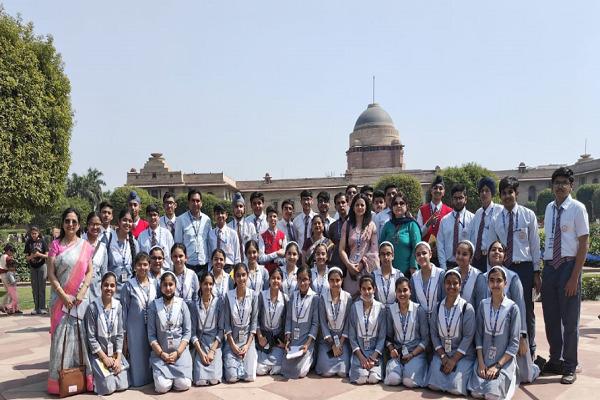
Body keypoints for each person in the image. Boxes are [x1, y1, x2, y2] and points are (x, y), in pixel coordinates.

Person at [541, 167, 589, 384]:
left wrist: (574, 277)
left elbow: (584, 244)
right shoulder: (550, 208)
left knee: (569, 321)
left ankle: (570, 365)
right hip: (551, 267)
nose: (559, 186)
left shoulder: (578, 209)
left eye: (564, 182)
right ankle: (555, 360)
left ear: (571, 185)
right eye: (556, 182)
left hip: (569, 267)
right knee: (551, 319)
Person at [489, 176, 541, 358]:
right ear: (500, 196)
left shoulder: (528, 216)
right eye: (503, 193)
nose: (507, 196)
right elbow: (493, 245)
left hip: (524, 268)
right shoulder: (495, 219)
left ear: (516, 193)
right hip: (504, 269)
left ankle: (530, 349)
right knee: (503, 308)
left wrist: (536, 272)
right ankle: (507, 349)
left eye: (510, 192)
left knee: (526, 309)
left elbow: (535, 245)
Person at [477, 240, 540, 384]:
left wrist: (523, 337)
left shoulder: (513, 277)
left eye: (500, 250)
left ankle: (535, 367)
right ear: (488, 254)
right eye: (493, 249)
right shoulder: (482, 278)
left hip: (509, 334)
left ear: (505, 256)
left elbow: (521, 307)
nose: (496, 252)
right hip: (488, 336)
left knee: (525, 376)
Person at [47, 208, 94, 394]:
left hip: (79, 301)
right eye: (67, 221)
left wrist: (82, 292)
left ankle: (81, 380)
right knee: (59, 341)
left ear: (79, 224)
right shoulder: (55, 245)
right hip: (60, 301)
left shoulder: (85, 246)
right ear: (63, 223)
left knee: (81, 340)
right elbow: (51, 274)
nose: (71, 224)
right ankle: (59, 383)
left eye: (74, 221)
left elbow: (89, 271)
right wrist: (63, 295)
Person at [468, 266, 521, 400]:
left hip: (503, 361)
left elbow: (514, 343)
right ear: (488, 283)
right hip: (484, 359)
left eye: (499, 280)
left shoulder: (512, 308)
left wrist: (497, 366)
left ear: (505, 283)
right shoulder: (482, 304)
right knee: (476, 393)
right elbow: (478, 336)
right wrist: (480, 363)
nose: (495, 284)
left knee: (492, 395)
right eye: (492, 280)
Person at [427, 269, 476, 396]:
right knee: (434, 385)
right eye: (448, 283)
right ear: (444, 285)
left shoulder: (466, 308)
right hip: (442, 355)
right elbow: (434, 334)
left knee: (455, 388)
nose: (452, 286)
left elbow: (468, 336)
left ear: (460, 286)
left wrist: (454, 359)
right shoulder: (437, 307)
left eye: (455, 283)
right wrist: (443, 356)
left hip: (462, 356)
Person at [85, 271, 129, 395]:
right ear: (101, 286)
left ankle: (112, 372)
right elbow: (91, 337)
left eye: (112, 285)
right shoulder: (93, 308)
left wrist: (118, 358)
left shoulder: (118, 306)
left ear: (115, 287)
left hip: (114, 354)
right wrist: (104, 358)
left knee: (122, 385)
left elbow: (120, 334)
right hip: (99, 354)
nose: (109, 288)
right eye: (106, 285)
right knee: (108, 389)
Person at [148, 271, 193, 393]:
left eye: (171, 284)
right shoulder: (154, 306)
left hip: (180, 354)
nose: (168, 288)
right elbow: (151, 335)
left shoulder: (182, 304)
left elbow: (188, 332)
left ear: (175, 286)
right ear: (161, 287)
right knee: (162, 387)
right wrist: (162, 354)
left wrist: (178, 352)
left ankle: (174, 377)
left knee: (184, 384)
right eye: (165, 285)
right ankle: (167, 377)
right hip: (161, 355)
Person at [384, 276, 429, 388]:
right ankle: (400, 371)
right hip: (398, 354)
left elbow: (425, 339)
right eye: (399, 290)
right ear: (395, 292)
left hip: (415, 353)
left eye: (405, 290)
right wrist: (391, 349)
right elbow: (388, 336)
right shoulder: (391, 310)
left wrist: (412, 354)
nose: (402, 294)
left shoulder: (419, 310)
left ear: (410, 291)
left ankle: (412, 370)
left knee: (409, 382)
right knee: (393, 380)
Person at [121, 252, 157, 387]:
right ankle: (137, 380)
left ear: (149, 266)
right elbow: (124, 310)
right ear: (135, 267)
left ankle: (153, 378)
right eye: (139, 265)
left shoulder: (155, 283)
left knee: (151, 351)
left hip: (151, 325)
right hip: (134, 328)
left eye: (145, 264)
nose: (143, 267)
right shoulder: (129, 286)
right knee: (137, 354)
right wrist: (124, 334)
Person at [223, 263, 259, 382]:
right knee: (232, 378)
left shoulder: (253, 295)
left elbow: (254, 322)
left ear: (247, 276)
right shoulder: (228, 296)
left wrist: (248, 345)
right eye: (238, 275)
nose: (241, 278)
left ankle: (248, 358)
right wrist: (233, 345)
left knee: (249, 377)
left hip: (247, 340)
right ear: (234, 277)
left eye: (244, 275)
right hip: (232, 340)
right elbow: (227, 325)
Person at [282, 266, 319, 379]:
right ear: (297, 280)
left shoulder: (315, 298)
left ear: (310, 280)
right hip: (293, 341)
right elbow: (288, 318)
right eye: (300, 279)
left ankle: (312, 358)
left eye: (305, 279)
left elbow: (315, 323)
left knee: (300, 372)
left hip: (306, 342)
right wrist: (288, 339)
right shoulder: (293, 295)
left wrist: (307, 344)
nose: (302, 282)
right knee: (285, 369)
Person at [348, 275, 387, 384]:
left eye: (369, 288)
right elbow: (352, 335)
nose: (367, 292)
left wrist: (373, 357)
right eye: (364, 289)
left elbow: (382, 336)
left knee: (373, 378)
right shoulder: (354, 308)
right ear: (360, 290)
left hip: (375, 352)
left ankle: (376, 368)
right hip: (359, 352)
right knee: (362, 379)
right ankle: (356, 366)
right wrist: (361, 357)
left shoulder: (381, 308)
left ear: (374, 289)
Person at [338, 193, 378, 297]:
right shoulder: (347, 224)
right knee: (350, 301)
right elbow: (341, 249)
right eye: (357, 205)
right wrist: (348, 265)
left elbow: (374, 250)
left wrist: (361, 264)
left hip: (366, 270)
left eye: (362, 205)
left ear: (366, 207)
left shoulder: (371, 225)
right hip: (351, 271)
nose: (359, 207)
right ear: (353, 207)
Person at [316, 267, 351, 377]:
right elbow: (322, 322)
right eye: (332, 280)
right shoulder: (323, 297)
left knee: (343, 372)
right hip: (327, 340)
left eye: (337, 280)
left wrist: (340, 342)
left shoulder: (348, 297)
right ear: (328, 281)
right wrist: (332, 345)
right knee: (325, 370)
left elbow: (348, 322)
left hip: (342, 340)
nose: (335, 283)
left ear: (342, 280)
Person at [190, 271, 224, 386]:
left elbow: (221, 330)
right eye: (205, 284)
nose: (208, 287)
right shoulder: (194, 305)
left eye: (210, 284)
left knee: (214, 380)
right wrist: (201, 352)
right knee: (200, 381)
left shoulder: (218, 302)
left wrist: (212, 351)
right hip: (200, 344)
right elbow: (193, 333)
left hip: (215, 343)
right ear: (200, 284)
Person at [379, 192, 421, 276]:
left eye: (402, 203)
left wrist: (413, 267)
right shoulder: (387, 225)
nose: (398, 206)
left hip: (408, 273)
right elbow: (381, 246)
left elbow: (416, 247)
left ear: (406, 206)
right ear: (392, 207)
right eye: (395, 204)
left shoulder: (412, 224)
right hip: (389, 272)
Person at [256, 268, 288, 376]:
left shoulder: (285, 299)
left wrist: (285, 342)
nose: (275, 281)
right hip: (264, 339)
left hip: (277, 341)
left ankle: (273, 365)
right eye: (273, 278)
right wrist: (260, 336)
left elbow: (287, 322)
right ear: (269, 280)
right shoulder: (261, 296)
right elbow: (256, 318)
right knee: (259, 370)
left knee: (278, 369)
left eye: (278, 278)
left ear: (282, 281)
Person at [416, 176, 453, 266]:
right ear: (431, 191)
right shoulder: (422, 210)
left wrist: (438, 248)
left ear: (444, 192)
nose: (438, 190)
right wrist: (428, 224)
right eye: (435, 188)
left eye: (441, 188)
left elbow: (449, 236)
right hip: (425, 254)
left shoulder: (449, 211)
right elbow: (418, 234)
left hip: (443, 254)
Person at [437, 184, 474, 270]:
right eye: (455, 198)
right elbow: (440, 245)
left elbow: (473, 243)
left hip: (466, 266)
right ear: (451, 200)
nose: (458, 201)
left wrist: (469, 265)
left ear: (466, 199)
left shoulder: (472, 219)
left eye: (461, 198)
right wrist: (443, 267)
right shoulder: (444, 220)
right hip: (448, 265)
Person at [174, 190, 211, 276]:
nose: (195, 203)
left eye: (198, 201)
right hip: (188, 266)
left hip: (204, 266)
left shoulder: (207, 220)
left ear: (201, 203)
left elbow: (209, 242)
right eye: (193, 200)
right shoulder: (180, 220)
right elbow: (178, 244)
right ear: (188, 203)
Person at [469, 177, 502, 272]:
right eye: (482, 191)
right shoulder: (478, 213)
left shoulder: (499, 211)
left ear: (492, 193)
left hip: (492, 258)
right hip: (477, 259)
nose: (484, 193)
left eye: (487, 191)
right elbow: (474, 236)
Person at [106, 209, 139, 300]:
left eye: (130, 221)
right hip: (111, 291)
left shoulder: (134, 243)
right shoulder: (109, 239)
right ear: (119, 221)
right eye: (124, 220)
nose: (127, 223)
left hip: (129, 291)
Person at [409, 242, 444, 320]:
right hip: (421, 320)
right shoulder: (413, 278)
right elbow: (413, 302)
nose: (421, 256)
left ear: (430, 254)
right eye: (418, 254)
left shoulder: (441, 274)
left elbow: (444, 299)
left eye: (424, 253)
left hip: (439, 318)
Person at [449, 240, 485, 310]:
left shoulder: (478, 276)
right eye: (458, 253)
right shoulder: (451, 273)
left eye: (464, 254)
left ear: (471, 258)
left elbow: (480, 306)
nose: (460, 256)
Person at [138, 204, 174, 269]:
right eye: (150, 215)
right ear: (146, 217)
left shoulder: (167, 234)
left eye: (155, 215)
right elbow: (139, 257)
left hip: (165, 271)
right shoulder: (141, 236)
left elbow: (172, 255)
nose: (152, 217)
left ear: (159, 217)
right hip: (147, 273)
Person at [208, 204, 241, 274]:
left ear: (226, 215)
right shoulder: (210, 234)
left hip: (229, 268)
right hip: (215, 268)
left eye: (222, 213)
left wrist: (237, 272)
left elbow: (237, 256)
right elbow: (209, 255)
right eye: (217, 213)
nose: (220, 216)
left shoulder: (233, 234)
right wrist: (209, 271)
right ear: (214, 216)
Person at [84, 212, 109, 305]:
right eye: (92, 224)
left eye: (98, 224)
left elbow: (104, 273)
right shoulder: (79, 243)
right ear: (87, 225)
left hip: (96, 293)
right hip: (80, 291)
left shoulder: (103, 247)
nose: (95, 227)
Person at [24, 225, 49, 314]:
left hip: (42, 266)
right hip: (33, 267)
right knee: (35, 288)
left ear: (38, 233)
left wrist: (39, 255)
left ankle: (42, 308)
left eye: (35, 233)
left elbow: (47, 255)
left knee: (41, 287)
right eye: (32, 234)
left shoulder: (43, 241)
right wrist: (32, 256)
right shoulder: (28, 242)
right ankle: (36, 308)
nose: (33, 235)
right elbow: (26, 258)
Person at [228, 192, 257, 263]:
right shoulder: (228, 227)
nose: (239, 209)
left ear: (244, 208)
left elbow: (255, 246)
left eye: (241, 206)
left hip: (248, 262)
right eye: (236, 206)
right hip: (233, 264)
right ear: (233, 209)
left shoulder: (250, 226)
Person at [258, 206, 287, 273]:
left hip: (280, 272)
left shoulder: (283, 236)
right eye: (270, 216)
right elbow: (261, 259)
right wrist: (277, 253)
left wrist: (275, 260)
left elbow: (286, 258)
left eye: (274, 216)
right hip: (267, 271)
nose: (272, 218)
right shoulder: (262, 236)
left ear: (278, 218)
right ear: (267, 219)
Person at [374, 242, 404, 306]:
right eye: (383, 254)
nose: (385, 257)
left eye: (388, 254)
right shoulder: (373, 275)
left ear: (393, 256)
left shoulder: (399, 275)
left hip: (395, 312)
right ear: (379, 256)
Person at [328, 192, 348, 272]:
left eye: (343, 202)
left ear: (347, 204)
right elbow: (331, 246)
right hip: (337, 264)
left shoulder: (354, 223)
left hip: (352, 263)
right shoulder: (333, 226)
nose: (341, 205)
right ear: (335, 207)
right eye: (338, 203)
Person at [0, 244, 20, 314]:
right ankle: (5, 306)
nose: (12, 253)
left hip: (2, 275)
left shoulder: (2, 256)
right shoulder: (8, 258)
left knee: (8, 292)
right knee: (10, 292)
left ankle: (10, 308)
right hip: (7, 275)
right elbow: (11, 266)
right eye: (12, 251)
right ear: (8, 251)